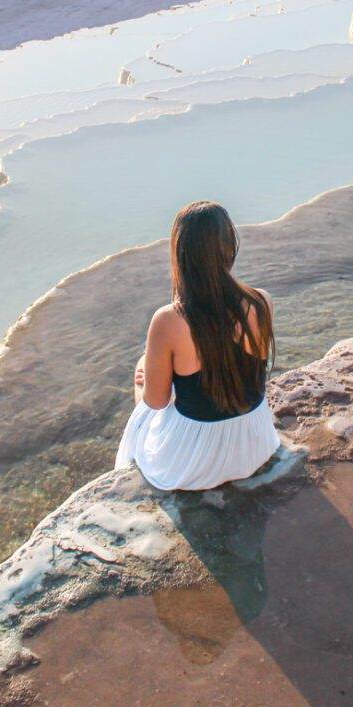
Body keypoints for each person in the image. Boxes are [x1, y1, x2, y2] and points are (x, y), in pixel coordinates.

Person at [115, 201, 280, 490]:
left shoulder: (169, 319)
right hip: (255, 443)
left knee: (143, 381)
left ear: (181, 254)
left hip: (194, 461)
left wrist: (143, 375)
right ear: (230, 248)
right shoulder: (261, 301)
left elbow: (156, 402)